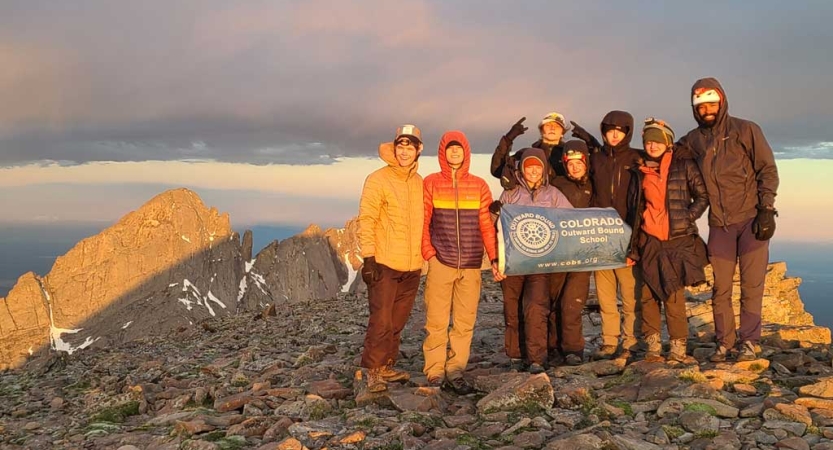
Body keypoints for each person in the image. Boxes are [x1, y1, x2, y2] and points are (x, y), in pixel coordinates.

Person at [679, 78, 780, 362]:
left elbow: (767, 170)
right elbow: (665, 154)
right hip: (719, 225)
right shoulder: (693, 140)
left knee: (752, 285)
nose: (707, 109)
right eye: (701, 106)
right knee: (720, 287)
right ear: (694, 108)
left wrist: (766, 208)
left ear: (721, 101)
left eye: (711, 103)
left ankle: (749, 342)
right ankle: (725, 343)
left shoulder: (746, 130)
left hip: (751, 220)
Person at [626, 119, 709, 364]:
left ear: (667, 143)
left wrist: (686, 217)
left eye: (657, 141)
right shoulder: (641, 170)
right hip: (649, 237)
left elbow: (702, 196)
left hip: (676, 238)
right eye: (648, 141)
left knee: (673, 293)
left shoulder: (684, 164)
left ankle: (677, 346)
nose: (652, 146)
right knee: (648, 293)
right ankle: (652, 345)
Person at [421, 130, 498, 394]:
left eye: (459, 148)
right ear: (443, 152)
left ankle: (455, 370)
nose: (455, 152)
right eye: (450, 148)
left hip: (471, 262)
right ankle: (434, 371)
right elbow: (424, 219)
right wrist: (428, 252)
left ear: (466, 152)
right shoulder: (431, 182)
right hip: (441, 260)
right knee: (436, 319)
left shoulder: (479, 185)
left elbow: (487, 225)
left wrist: (494, 256)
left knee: (465, 320)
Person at [358, 124, 425, 393]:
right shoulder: (378, 179)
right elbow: (367, 218)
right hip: (385, 262)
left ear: (418, 149)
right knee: (381, 319)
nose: (405, 150)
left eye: (410, 146)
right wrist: (368, 258)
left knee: (398, 320)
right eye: (401, 145)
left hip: (413, 264)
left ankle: (387, 364)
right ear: (394, 148)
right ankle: (373, 371)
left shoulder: (419, 182)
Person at [493, 149, 573, 374]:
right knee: (512, 307)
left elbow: (570, 222)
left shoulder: (554, 195)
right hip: (512, 262)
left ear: (544, 168)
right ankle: (516, 355)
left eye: (538, 166)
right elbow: (496, 227)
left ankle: (537, 358)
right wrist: (496, 261)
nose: (534, 171)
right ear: (521, 169)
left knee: (536, 308)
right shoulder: (510, 194)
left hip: (541, 263)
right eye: (529, 166)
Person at [589, 111, 644, 360]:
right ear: (603, 131)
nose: (614, 134)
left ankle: (631, 341)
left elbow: (642, 201)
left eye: (620, 130)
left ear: (628, 132)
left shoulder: (636, 159)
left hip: (627, 238)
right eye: (610, 129)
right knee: (606, 296)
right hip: (600, 238)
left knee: (631, 296)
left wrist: (636, 242)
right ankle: (609, 341)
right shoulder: (595, 158)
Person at [550, 140, 595, 365]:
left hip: (583, 255)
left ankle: (573, 349)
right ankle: (552, 347)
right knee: (553, 301)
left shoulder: (594, 185)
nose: (575, 167)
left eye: (580, 162)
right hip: (557, 253)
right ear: (564, 164)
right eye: (571, 163)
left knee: (572, 303)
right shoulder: (555, 184)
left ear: (586, 162)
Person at [490, 112, 574, 189]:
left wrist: (587, 141)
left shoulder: (572, 155)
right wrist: (508, 139)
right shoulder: (525, 154)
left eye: (557, 126)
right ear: (541, 131)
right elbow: (498, 171)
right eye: (548, 125)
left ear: (562, 132)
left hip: (563, 203)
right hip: (531, 203)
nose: (552, 128)